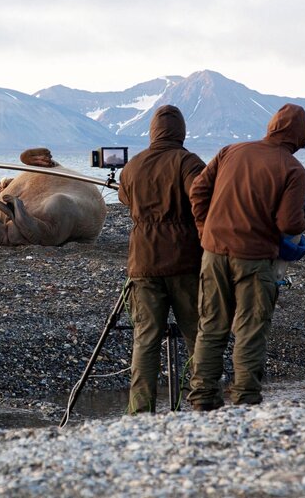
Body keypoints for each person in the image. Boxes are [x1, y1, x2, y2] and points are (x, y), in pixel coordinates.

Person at [187, 103, 305, 410]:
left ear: (272, 127)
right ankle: (245, 400)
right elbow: (288, 224)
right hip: (255, 260)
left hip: (213, 253)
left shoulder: (231, 151)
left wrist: (205, 230)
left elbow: (197, 191)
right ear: (298, 137)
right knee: (250, 330)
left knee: (211, 327)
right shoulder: (293, 169)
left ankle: (203, 400)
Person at [118, 105, 206, 413]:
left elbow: (125, 198)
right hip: (185, 263)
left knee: (145, 339)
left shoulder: (132, 167)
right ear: (181, 131)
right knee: (198, 335)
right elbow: (201, 197)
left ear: (153, 131)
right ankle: (201, 403)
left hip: (142, 263)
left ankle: (140, 412)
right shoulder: (188, 162)